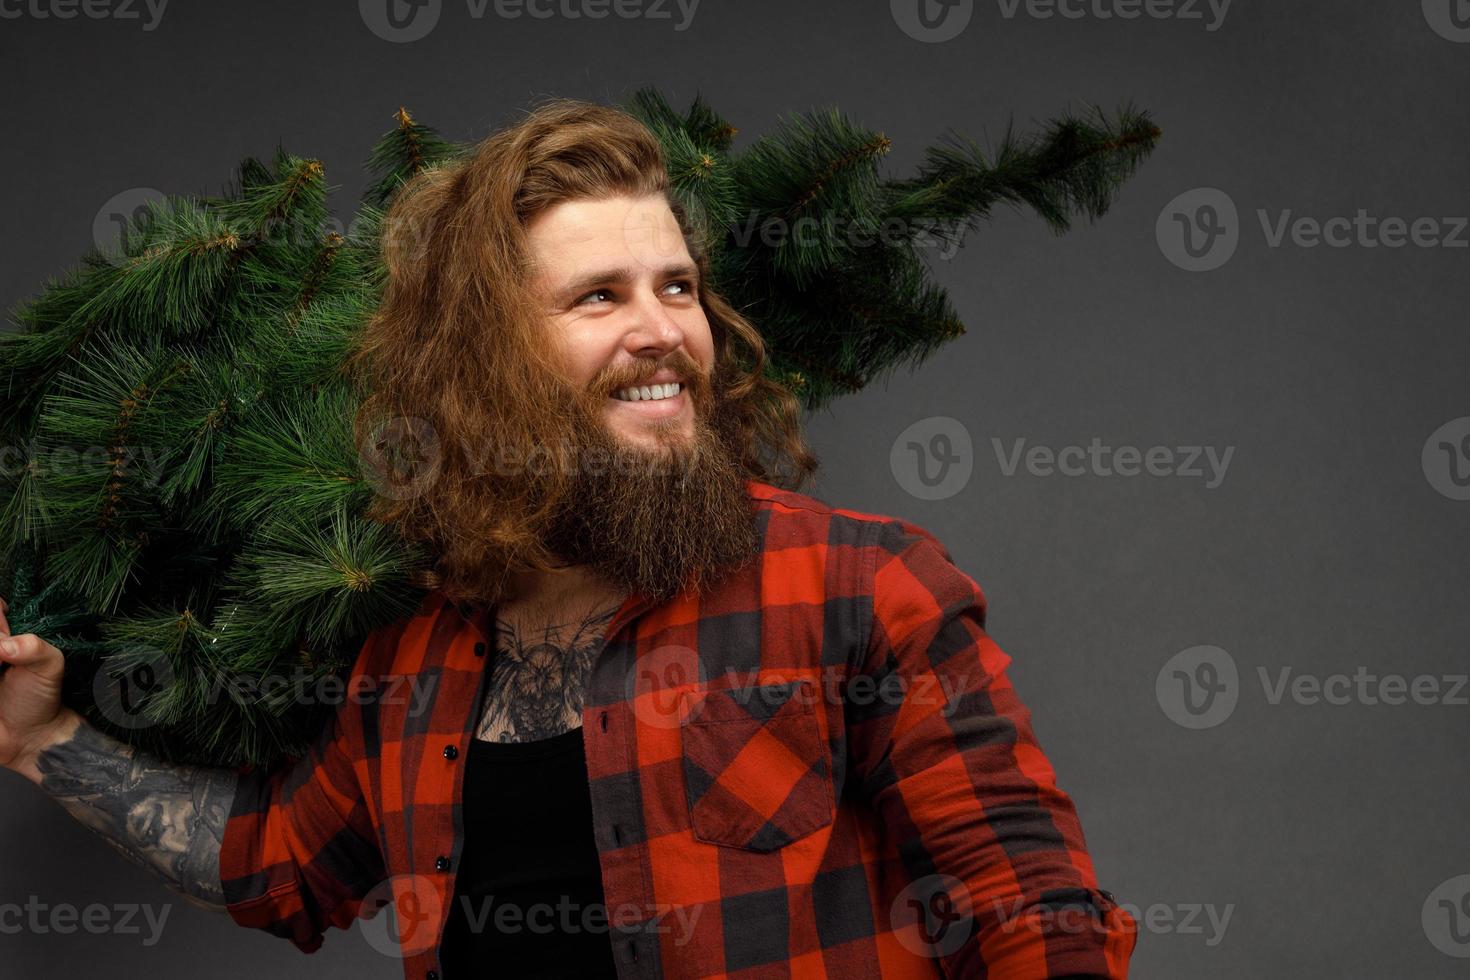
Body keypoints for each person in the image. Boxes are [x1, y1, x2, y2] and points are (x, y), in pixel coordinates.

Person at [0, 97, 1137, 979]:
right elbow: (274, 863)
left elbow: (1035, 910)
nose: (664, 333)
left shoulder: (861, 584)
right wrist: (41, 734)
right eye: (599, 297)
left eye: (678, 285)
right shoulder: (412, 650)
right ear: (480, 361)